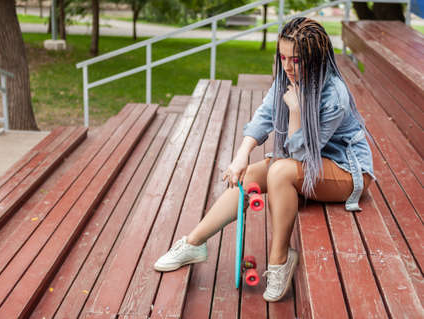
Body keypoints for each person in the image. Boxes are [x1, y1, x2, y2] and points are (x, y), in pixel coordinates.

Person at [153, 17, 375, 302]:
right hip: (310, 163)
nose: (287, 66)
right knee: (249, 177)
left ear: (316, 59)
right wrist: (241, 155)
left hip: (346, 171)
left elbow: (300, 154)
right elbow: (264, 117)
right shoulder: (288, 79)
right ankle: (194, 243)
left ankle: (279, 260)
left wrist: (295, 111)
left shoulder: (334, 95)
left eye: (295, 60)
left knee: (280, 171)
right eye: (282, 57)